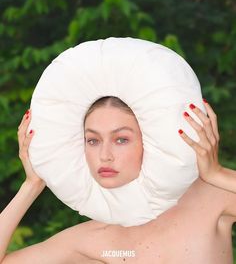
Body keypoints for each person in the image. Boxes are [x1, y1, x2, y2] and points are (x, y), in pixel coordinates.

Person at [0, 96, 236, 264]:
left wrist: (216, 174)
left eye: (121, 139)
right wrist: (32, 184)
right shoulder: (91, 238)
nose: (105, 155)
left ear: (151, 141)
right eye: (93, 140)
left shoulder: (211, 196)